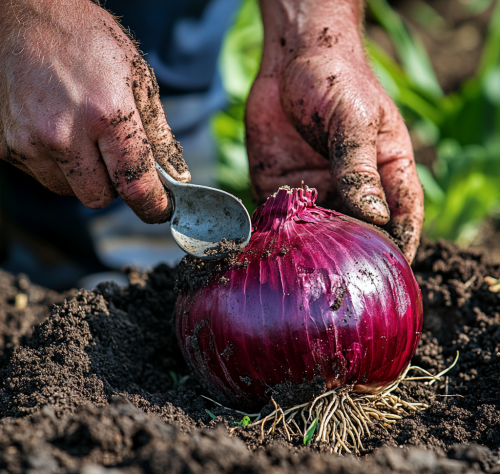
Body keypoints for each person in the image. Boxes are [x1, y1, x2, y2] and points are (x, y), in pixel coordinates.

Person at [0, 0, 423, 288]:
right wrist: (23, 16)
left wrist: (317, 31)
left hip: (172, 50)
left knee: (154, 276)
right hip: (33, 62)